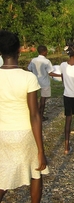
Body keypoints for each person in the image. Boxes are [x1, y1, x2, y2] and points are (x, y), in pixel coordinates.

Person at [0, 30, 49, 202]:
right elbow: (34, 115)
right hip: (24, 134)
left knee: (3, 176)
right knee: (36, 173)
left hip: (2, 134)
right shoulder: (28, 78)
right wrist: (41, 151)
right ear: (19, 50)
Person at [28, 45, 61, 121]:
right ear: (44, 51)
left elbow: (29, 69)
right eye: (46, 51)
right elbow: (50, 73)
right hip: (44, 83)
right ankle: (41, 116)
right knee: (43, 100)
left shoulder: (33, 60)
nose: (47, 52)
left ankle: (34, 115)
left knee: (35, 99)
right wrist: (61, 75)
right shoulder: (46, 61)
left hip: (35, 81)